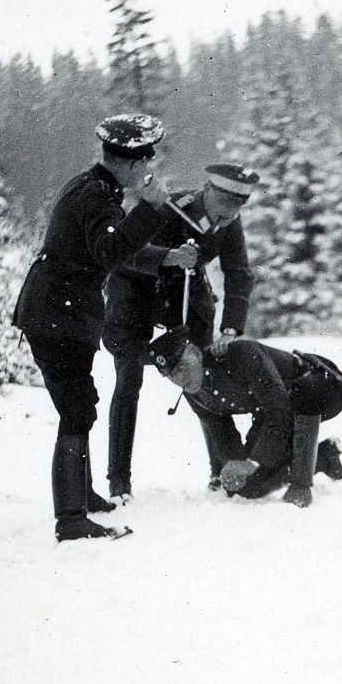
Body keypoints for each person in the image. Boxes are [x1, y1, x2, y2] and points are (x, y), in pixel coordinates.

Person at [13, 113, 170, 541]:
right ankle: (71, 518)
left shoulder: (89, 186)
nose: (150, 165)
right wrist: (151, 207)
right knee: (77, 408)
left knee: (81, 400)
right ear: (135, 164)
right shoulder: (100, 199)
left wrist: (162, 256)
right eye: (147, 159)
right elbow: (108, 249)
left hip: (56, 311)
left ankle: (82, 496)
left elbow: (107, 249)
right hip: (59, 314)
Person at [102, 164, 257, 501]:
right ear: (207, 192)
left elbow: (239, 272)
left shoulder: (229, 221)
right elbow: (121, 254)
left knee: (204, 381)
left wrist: (231, 328)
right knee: (128, 382)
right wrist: (168, 258)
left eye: (232, 214)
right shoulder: (168, 208)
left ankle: (221, 472)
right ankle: (119, 482)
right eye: (219, 212)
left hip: (186, 296)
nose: (223, 221)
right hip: (135, 296)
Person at [143, 327, 342, 508]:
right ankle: (323, 457)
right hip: (270, 409)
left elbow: (280, 412)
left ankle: (301, 484)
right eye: (170, 375)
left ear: (196, 353)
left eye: (181, 367)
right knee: (248, 488)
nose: (178, 378)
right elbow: (221, 434)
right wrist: (235, 466)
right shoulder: (192, 392)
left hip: (321, 385)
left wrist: (253, 462)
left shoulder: (240, 354)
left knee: (301, 395)